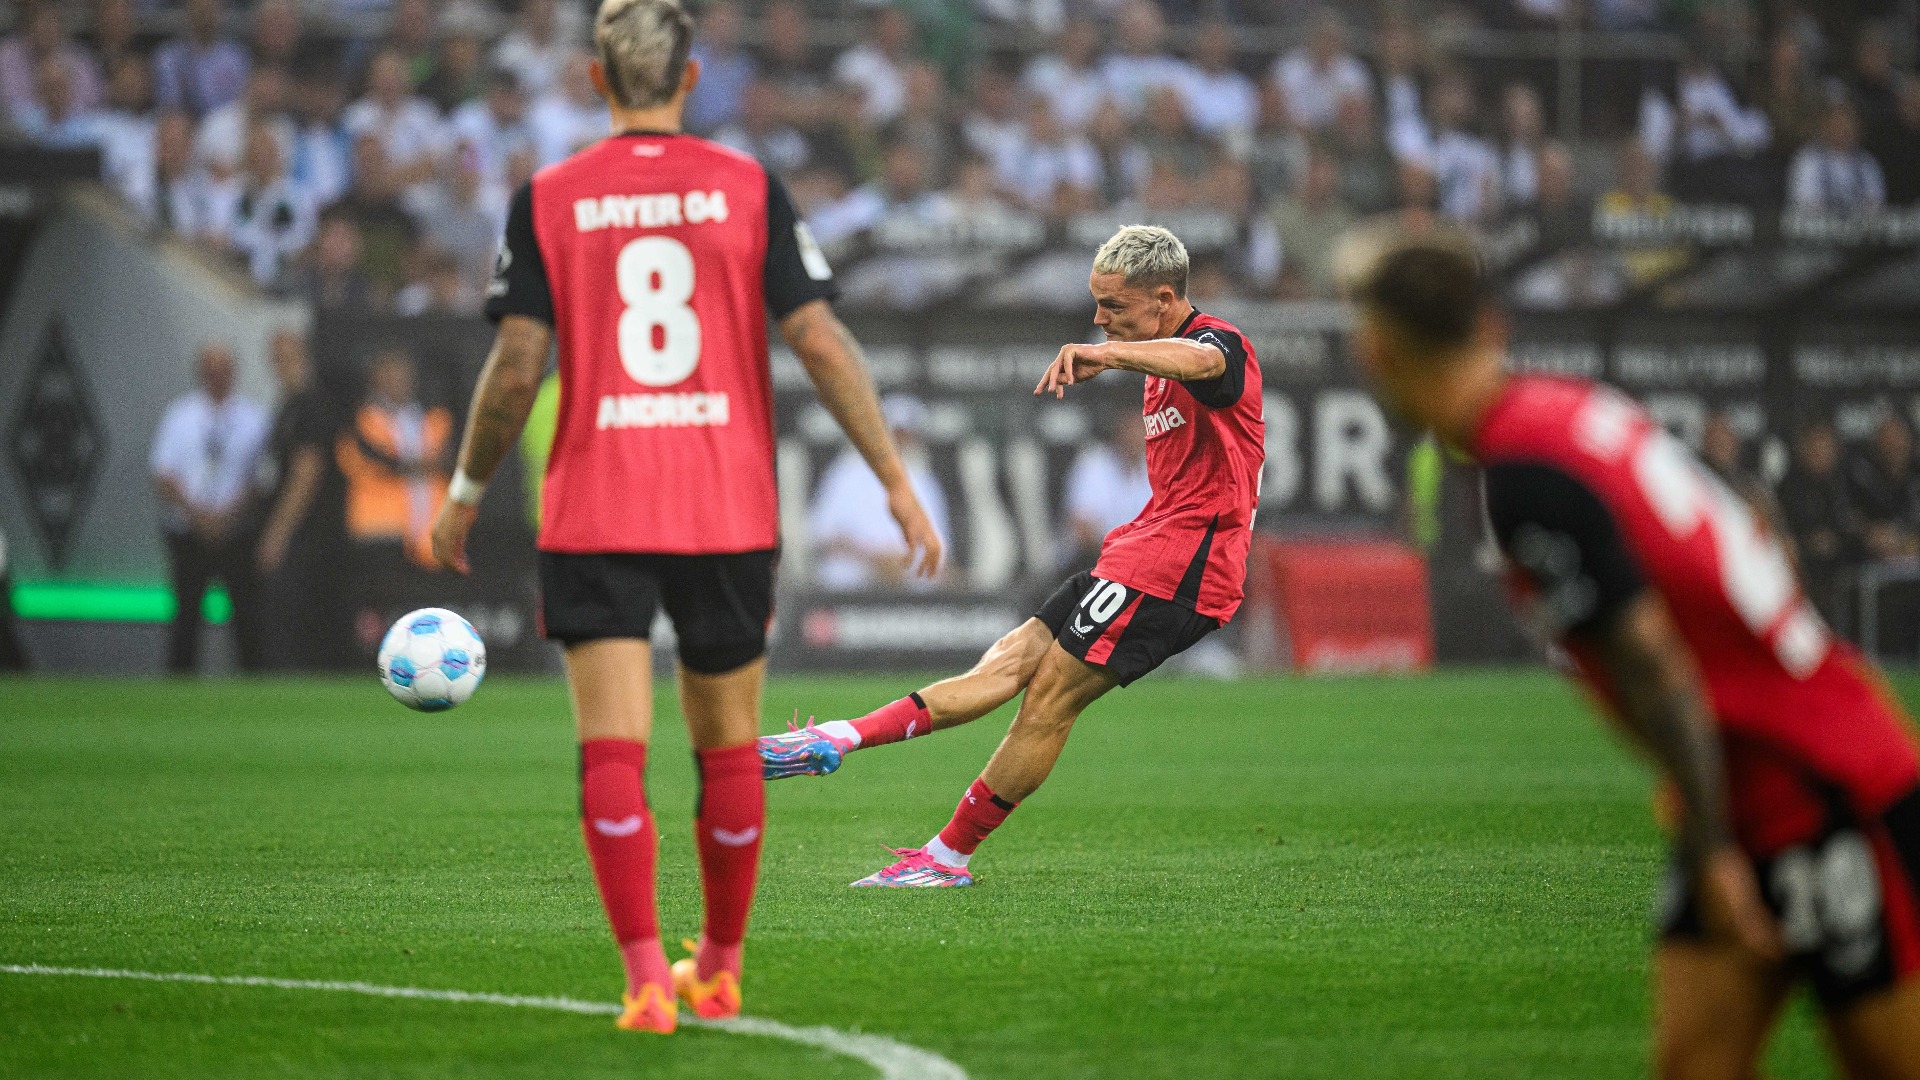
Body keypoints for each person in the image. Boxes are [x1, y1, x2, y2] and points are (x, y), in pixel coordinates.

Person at [426, 0, 942, 1035]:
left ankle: (646, 977)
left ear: (596, 81)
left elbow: (518, 364)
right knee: (725, 746)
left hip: (600, 501)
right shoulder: (747, 186)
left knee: (613, 749)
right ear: (691, 78)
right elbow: (823, 343)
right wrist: (891, 473)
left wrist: (465, 492)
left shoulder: (550, 196)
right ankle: (722, 964)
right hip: (725, 502)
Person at [1337, 225, 1920, 1080]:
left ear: (1377, 352)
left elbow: (1654, 667)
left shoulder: (1524, 473)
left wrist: (1716, 844)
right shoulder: (1563, 413)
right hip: (1742, 785)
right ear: (1490, 327)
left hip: (1814, 789)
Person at [758, 225, 1265, 888]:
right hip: (1139, 552)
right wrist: (1119, 351)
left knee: (1048, 699)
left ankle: (946, 858)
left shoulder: (1219, 344)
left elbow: (1204, 363)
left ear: (1166, 300)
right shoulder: (1153, 357)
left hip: (1184, 569)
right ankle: (836, 737)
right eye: (1096, 303)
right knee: (1006, 662)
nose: (1098, 319)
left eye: (1113, 306)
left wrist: (1109, 356)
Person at [149, 343, 270, 673]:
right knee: (186, 614)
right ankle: (179, 684)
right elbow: (163, 473)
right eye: (210, 370)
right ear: (201, 373)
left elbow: (261, 476)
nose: (217, 376)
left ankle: (254, 685)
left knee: (247, 615)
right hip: (188, 530)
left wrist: (228, 514)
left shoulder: (253, 417)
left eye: (223, 369)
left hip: (237, 531)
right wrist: (198, 515)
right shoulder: (180, 415)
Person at [250, 331, 338, 670]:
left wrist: (277, 533)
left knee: (289, 611)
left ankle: (294, 676)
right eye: (276, 358)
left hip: (306, 534)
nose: (280, 365)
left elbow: (306, 474)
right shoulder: (287, 404)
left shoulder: (310, 405)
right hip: (291, 530)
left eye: (287, 357)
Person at [807, 394, 951, 590]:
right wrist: (875, 560)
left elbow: (937, 550)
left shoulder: (924, 481)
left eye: (907, 435)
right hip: (849, 592)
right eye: (895, 434)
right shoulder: (846, 472)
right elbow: (822, 537)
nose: (901, 442)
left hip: (909, 594)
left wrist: (898, 565)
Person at [1060, 406, 1150, 570]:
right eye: (1132, 429)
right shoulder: (1094, 462)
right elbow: (1082, 530)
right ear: (1120, 431)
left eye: (1142, 429)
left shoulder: (1156, 467)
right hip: (1092, 562)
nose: (1137, 436)